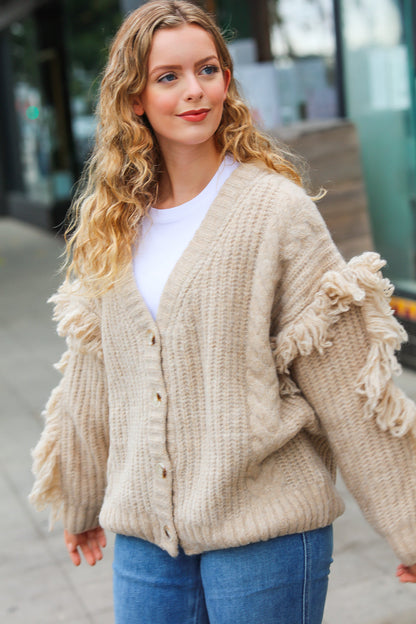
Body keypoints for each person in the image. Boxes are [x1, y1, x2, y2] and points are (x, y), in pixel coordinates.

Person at [29, 1, 416, 622]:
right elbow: (94, 374)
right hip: (146, 542)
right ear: (134, 99)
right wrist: (78, 500)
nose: (194, 91)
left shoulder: (275, 211)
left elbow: (348, 380)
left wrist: (409, 525)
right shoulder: (114, 222)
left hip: (266, 531)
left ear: (226, 81)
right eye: (168, 77)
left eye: (208, 70)